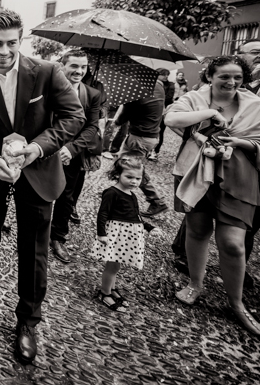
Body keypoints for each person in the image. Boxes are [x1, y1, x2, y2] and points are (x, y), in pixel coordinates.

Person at [0, 10, 84, 364]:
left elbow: (74, 117)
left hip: (38, 171)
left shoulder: (46, 72)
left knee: (33, 248)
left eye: (12, 43)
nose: (4, 51)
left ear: (21, 41)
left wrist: (38, 148)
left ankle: (28, 321)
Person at [165, 55, 260, 337]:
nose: (231, 82)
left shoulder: (257, 106)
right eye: (224, 76)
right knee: (197, 230)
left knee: (233, 243)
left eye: (237, 77)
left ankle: (236, 303)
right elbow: (171, 118)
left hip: (239, 176)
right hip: (194, 171)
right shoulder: (194, 99)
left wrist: (239, 142)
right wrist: (210, 115)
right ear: (210, 76)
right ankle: (195, 284)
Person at [49, 49, 106, 263]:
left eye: (83, 67)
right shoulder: (49, 87)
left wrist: (71, 149)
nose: (79, 71)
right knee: (39, 194)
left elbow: (92, 127)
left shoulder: (92, 94)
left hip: (73, 154)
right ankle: (36, 233)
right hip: (47, 150)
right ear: (62, 65)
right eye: (74, 66)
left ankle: (58, 238)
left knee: (67, 197)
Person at [92, 155, 154, 312]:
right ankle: (104, 293)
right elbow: (102, 213)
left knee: (116, 265)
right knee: (111, 266)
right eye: (129, 177)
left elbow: (135, 215)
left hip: (126, 235)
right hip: (115, 235)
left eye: (138, 178)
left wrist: (149, 227)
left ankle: (111, 289)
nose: (134, 181)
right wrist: (101, 234)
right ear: (118, 174)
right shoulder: (111, 192)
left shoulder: (132, 195)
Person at [113, 79, 168, 216]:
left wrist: (116, 122)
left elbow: (125, 114)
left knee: (132, 170)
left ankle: (156, 201)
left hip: (140, 138)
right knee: (122, 163)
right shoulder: (158, 84)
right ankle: (116, 192)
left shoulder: (136, 91)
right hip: (151, 135)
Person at [148, 69, 176, 161]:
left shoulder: (170, 85)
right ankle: (148, 150)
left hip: (163, 111)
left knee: (160, 131)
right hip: (151, 111)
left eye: (167, 74)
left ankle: (155, 152)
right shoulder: (151, 84)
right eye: (163, 74)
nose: (166, 76)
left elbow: (168, 98)